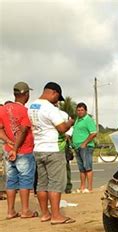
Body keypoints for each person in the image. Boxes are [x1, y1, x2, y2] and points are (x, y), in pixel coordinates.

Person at [28, 82, 75, 224]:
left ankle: (45, 214)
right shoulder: (50, 108)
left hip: (38, 148)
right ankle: (56, 216)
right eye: (57, 97)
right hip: (52, 149)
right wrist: (70, 123)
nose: (57, 101)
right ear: (53, 93)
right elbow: (61, 128)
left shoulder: (31, 106)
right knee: (55, 183)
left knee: (42, 183)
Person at [0, 82, 37, 219]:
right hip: (23, 150)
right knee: (25, 180)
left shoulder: (3, 109)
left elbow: (0, 128)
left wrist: (8, 141)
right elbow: (23, 130)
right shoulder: (25, 111)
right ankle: (25, 210)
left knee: (11, 181)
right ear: (26, 94)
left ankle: (10, 211)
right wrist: (15, 148)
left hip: (8, 149)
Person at [72, 102, 97, 193]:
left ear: (85, 111)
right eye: (78, 110)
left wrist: (85, 143)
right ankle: (82, 187)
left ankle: (89, 188)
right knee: (81, 168)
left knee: (88, 167)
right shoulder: (77, 120)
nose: (80, 112)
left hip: (86, 147)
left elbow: (94, 133)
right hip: (77, 147)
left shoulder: (88, 119)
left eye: (82, 110)